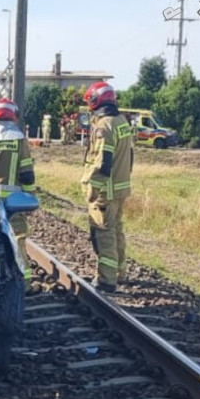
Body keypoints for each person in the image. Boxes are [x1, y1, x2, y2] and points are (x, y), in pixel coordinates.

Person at [81, 81, 133, 293]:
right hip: (121, 188)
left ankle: (106, 280)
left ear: (96, 101)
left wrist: (92, 189)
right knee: (117, 230)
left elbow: (103, 163)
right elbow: (129, 156)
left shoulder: (104, 126)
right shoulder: (122, 121)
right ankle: (120, 272)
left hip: (106, 191)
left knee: (104, 235)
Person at [0, 98, 36, 278]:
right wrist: (30, 196)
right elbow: (26, 173)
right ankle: (23, 280)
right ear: (14, 116)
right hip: (13, 202)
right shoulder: (19, 139)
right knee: (17, 237)